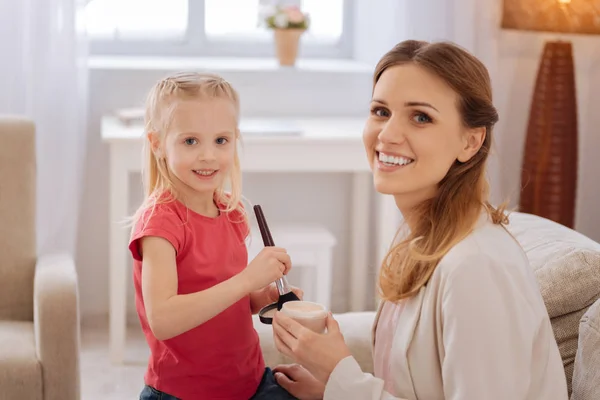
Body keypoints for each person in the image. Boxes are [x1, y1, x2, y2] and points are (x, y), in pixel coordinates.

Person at [270, 40, 569, 399]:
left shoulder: (476, 267)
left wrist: (341, 374)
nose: (388, 134)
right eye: (380, 111)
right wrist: (332, 388)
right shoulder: (423, 240)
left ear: (471, 142)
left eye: (421, 117)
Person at [128, 71, 301, 400]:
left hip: (248, 381)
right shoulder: (160, 223)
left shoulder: (231, 212)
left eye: (221, 140)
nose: (208, 155)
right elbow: (163, 319)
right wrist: (247, 280)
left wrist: (259, 297)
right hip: (183, 392)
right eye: (190, 141)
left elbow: (223, 299)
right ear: (158, 145)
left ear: (235, 139)